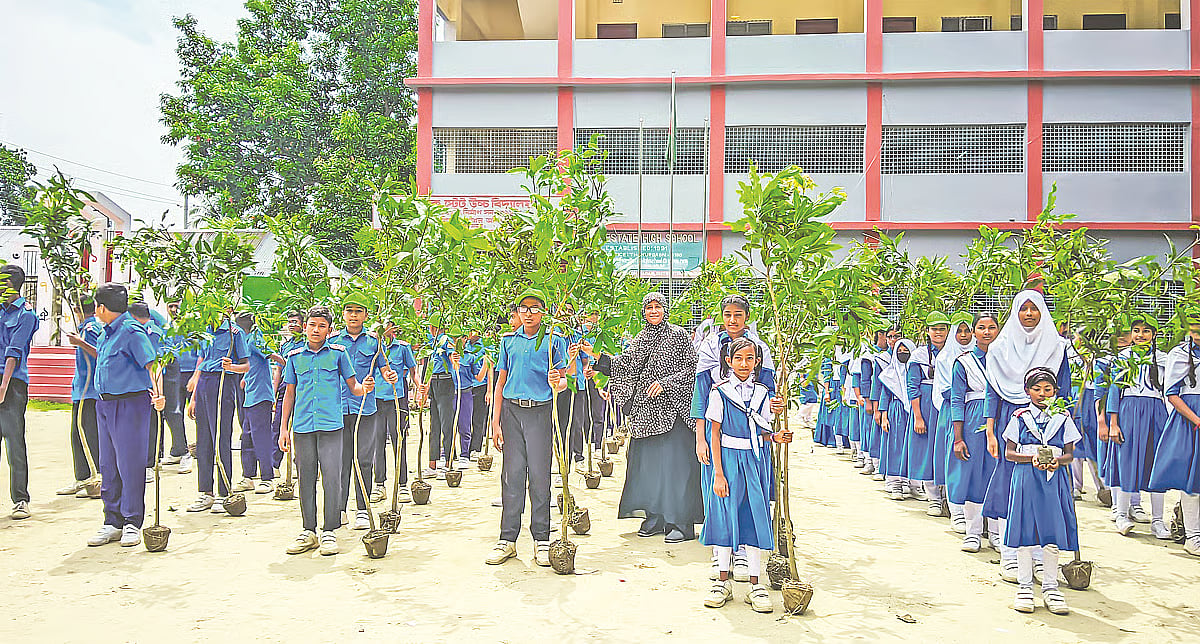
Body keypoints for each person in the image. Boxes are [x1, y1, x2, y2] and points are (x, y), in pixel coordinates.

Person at [982, 289, 1071, 583]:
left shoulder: (1056, 348)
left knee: (1045, 489)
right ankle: (1010, 556)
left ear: (1043, 312)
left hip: (1050, 427)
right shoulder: (999, 349)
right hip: (1013, 424)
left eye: (1035, 308)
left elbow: (1065, 392)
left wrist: (1062, 424)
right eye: (1024, 309)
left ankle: (1040, 559)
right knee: (1011, 488)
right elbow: (992, 394)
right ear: (1015, 312)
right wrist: (991, 432)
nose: (1029, 314)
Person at [691, 294, 780, 578]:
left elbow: (768, 391)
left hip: (752, 437)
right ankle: (721, 552)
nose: (732, 320)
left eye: (738, 315)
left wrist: (774, 415)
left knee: (749, 497)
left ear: (747, 317)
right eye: (727, 314)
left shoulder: (759, 348)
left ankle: (744, 552)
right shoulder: (709, 348)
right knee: (719, 492)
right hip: (721, 438)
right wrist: (701, 438)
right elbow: (700, 397)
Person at [701, 337, 793, 613]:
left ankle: (756, 584)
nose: (744, 364)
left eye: (749, 358)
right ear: (728, 362)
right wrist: (718, 473)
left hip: (755, 461)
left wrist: (776, 437)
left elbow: (761, 430)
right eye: (738, 358)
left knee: (754, 515)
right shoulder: (719, 393)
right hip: (728, 462)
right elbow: (714, 434)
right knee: (725, 516)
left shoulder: (763, 393)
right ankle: (722, 582)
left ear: (757, 362)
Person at [606, 292, 702, 543]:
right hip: (647, 414)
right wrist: (598, 360)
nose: (653, 311)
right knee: (649, 468)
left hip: (674, 412)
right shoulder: (641, 338)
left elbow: (693, 369)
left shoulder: (678, 335)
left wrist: (666, 383)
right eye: (648, 307)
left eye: (658, 307)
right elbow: (625, 365)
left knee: (675, 468)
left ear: (665, 310)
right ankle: (655, 517)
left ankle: (680, 522)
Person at [279, 305, 375, 556]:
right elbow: (289, 394)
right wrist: (283, 429)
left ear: (329, 330)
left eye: (322, 326)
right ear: (305, 327)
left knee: (332, 478)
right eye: (312, 325)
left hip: (331, 425)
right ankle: (308, 531)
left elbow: (353, 386)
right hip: (302, 427)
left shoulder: (339, 354)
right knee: (306, 478)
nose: (316, 330)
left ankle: (329, 531)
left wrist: (365, 388)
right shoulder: (295, 357)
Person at [486, 290, 570, 567]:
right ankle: (507, 539)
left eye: (535, 308)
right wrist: (495, 422)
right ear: (518, 313)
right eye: (524, 308)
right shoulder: (509, 341)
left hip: (540, 413)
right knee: (511, 477)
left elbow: (563, 384)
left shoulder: (551, 341)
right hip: (511, 412)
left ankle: (541, 539)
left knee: (539, 477)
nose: (529, 313)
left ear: (543, 312)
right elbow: (501, 381)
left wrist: (556, 380)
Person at [85, 283, 166, 547]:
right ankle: (112, 521)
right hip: (105, 405)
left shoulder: (131, 330)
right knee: (108, 464)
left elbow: (152, 364)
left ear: (102, 307)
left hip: (130, 404)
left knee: (129, 465)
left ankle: (132, 521)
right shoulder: (105, 333)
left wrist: (159, 395)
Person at [1002, 367, 1079, 616]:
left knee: (1051, 532)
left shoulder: (1063, 417)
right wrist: (1030, 458)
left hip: (1053, 479)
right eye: (1036, 389)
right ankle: (1025, 586)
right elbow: (1009, 453)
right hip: (1026, 478)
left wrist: (1060, 461)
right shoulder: (1020, 417)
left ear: (1056, 392)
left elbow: (1069, 453)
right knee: (1025, 531)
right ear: (1027, 391)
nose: (1042, 394)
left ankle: (1050, 587)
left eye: (1048, 389)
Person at [328, 292, 395, 530]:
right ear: (343, 314)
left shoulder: (373, 342)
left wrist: (389, 376)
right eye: (349, 311)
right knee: (340, 461)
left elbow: (384, 367)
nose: (353, 315)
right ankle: (340, 508)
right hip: (339, 409)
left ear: (366, 315)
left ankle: (363, 509)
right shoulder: (334, 342)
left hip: (366, 408)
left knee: (364, 460)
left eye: (358, 311)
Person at [1103, 318, 1171, 539]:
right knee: (1127, 461)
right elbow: (1114, 391)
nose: (1141, 335)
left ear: (1154, 334)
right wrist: (1113, 423)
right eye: (1136, 331)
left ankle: (1158, 521)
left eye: (1146, 331)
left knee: (1156, 465)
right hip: (1129, 411)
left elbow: (1168, 390)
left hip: (1156, 411)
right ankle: (1122, 515)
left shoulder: (1163, 359)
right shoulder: (1123, 357)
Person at [185, 310, 249, 514]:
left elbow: (246, 365)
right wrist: (194, 395)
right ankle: (205, 492)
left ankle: (224, 492)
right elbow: (201, 361)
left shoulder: (235, 333)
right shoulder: (206, 330)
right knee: (203, 439)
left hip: (223, 383)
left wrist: (232, 368)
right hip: (204, 383)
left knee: (221, 438)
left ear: (228, 310)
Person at [1148, 311, 1200, 556]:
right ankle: (1193, 536)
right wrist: (1197, 420)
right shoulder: (1179, 354)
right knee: (1192, 481)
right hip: (1190, 420)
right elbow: (1172, 393)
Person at [948, 312, 1000, 552]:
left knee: (998, 474)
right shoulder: (964, 362)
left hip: (1002, 419)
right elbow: (957, 399)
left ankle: (998, 533)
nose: (987, 332)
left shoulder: (1007, 359)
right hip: (973, 421)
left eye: (991, 327)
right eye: (981, 327)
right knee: (973, 476)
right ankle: (973, 532)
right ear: (973, 332)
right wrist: (958, 437)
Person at [227, 312, 282, 495]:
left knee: (261, 436)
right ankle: (248, 476)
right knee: (247, 436)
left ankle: (267, 478)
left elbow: (273, 356)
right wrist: (245, 378)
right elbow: (251, 364)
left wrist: (287, 365)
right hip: (249, 395)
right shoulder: (244, 341)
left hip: (261, 395)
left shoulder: (255, 339)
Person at [0, 264, 39, 519]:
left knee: (14, 440)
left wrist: (3, 387)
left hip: (12, 383)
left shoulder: (26, 314)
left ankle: (20, 499)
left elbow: (14, 351)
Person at [933, 311, 975, 530]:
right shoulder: (945, 358)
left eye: (968, 330)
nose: (964, 335)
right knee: (956, 462)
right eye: (959, 331)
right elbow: (944, 389)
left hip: (977, 412)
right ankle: (956, 511)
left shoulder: (984, 355)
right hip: (953, 412)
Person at [907, 312, 950, 515]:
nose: (938, 333)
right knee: (926, 451)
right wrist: (917, 415)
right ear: (928, 331)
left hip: (946, 404)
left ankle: (949, 499)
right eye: (934, 329)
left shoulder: (955, 352)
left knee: (945, 450)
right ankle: (933, 498)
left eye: (942, 329)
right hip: (925, 406)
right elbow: (912, 386)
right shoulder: (920, 355)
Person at [60, 298, 103, 497]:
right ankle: (82, 478)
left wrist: (80, 342)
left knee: (88, 435)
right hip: (81, 389)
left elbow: (99, 354)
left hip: (90, 391)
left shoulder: (91, 328)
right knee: (77, 435)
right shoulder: (84, 327)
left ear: (77, 309)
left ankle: (94, 478)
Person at [372, 320, 418, 503]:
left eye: (388, 326)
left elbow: (413, 370)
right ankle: (379, 484)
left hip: (397, 399)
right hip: (376, 399)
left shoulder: (403, 348)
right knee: (378, 442)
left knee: (399, 441)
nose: (385, 330)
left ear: (394, 328)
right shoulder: (373, 347)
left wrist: (419, 386)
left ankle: (402, 485)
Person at [130, 303, 166, 485]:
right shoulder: (140, 330)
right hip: (139, 383)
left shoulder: (150, 331)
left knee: (151, 425)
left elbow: (154, 363)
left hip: (150, 383)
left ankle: (150, 464)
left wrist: (157, 391)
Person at [878, 338, 915, 500]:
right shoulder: (889, 374)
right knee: (895, 447)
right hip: (896, 412)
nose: (902, 353)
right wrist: (884, 416)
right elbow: (884, 395)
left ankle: (912, 484)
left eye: (906, 350)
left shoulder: (916, 370)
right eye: (899, 351)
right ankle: (895, 484)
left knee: (912, 447)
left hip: (913, 412)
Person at [158, 299, 192, 474]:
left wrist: (196, 377)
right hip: (173, 374)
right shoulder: (166, 327)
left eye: (177, 305)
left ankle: (195, 452)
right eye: (170, 306)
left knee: (197, 414)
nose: (173, 309)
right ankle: (179, 449)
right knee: (173, 413)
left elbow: (201, 349)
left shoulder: (192, 326)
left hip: (191, 372)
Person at [271, 311, 306, 473]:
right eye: (290, 322)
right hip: (285, 387)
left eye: (295, 322)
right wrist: (274, 392)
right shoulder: (285, 345)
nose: (292, 325)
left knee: (301, 426)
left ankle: (301, 463)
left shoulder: (307, 343)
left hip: (302, 387)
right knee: (279, 424)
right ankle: (274, 464)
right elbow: (279, 370)